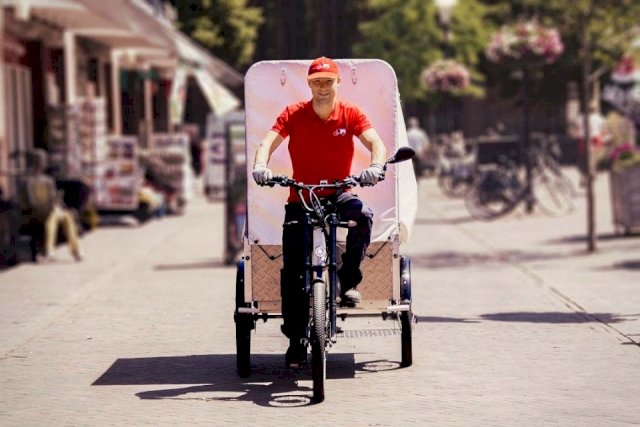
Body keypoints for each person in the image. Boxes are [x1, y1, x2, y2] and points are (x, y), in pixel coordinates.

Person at [251, 56, 387, 367]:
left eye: (328, 81)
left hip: (339, 193)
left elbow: (375, 142)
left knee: (363, 215)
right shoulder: (293, 113)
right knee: (294, 271)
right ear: (309, 84)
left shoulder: (351, 113)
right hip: (301, 198)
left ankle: (348, 279)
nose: (322, 87)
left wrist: (375, 166)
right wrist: (261, 165)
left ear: (338, 83)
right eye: (316, 82)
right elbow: (267, 143)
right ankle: (297, 339)